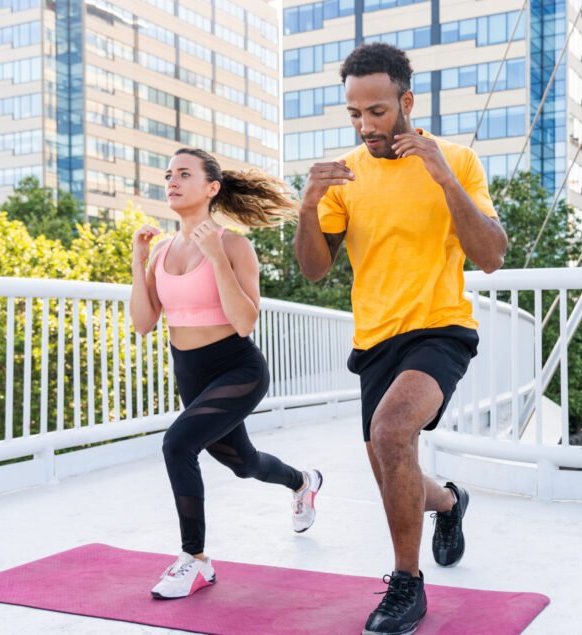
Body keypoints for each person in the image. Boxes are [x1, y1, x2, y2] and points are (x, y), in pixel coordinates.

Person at [294, 43, 508, 635]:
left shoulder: (456, 160)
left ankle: (406, 585)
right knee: (393, 469)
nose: (366, 126)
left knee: (391, 432)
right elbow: (314, 269)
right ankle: (450, 503)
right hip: (375, 340)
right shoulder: (345, 176)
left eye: (378, 111)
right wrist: (308, 207)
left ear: (406, 101)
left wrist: (443, 177)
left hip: (441, 327)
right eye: (355, 114)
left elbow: (491, 255)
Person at [129, 148, 323, 600]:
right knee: (244, 464)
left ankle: (195, 560)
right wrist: (138, 261)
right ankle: (303, 482)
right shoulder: (161, 252)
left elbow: (245, 321)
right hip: (191, 375)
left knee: (178, 444)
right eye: (169, 174)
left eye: (184, 174)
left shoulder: (234, 245)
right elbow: (143, 323)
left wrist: (216, 258)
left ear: (212, 188)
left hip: (238, 368)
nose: (172, 182)